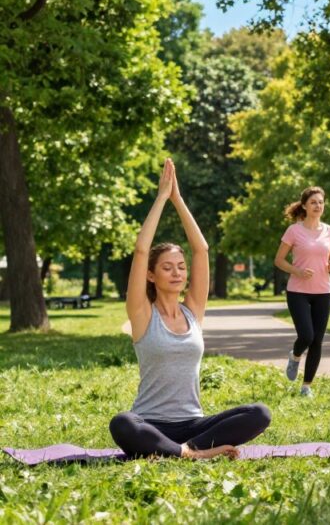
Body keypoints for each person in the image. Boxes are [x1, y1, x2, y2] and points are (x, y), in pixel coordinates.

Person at [109, 159, 271, 459]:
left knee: (259, 413)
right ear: (151, 275)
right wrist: (161, 198)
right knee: (122, 423)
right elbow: (142, 249)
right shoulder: (143, 315)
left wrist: (178, 199)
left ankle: (185, 450)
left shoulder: (192, 311)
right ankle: (190, 454)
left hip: (196, 425)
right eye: (167, 268)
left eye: (181, 267)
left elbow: (202, 250)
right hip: (150, 424)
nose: (177, 273)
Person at [275, 187, 330, 397]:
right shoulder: (294, 231)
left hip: (323, 291)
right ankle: (295, 356)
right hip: (298, 291)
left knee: (318, 340)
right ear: (304, 205)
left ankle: (307, 387)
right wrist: (297, 271)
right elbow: (279, 260)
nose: (318, 206)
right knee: (306, 335)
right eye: (313, 202)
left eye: (321, 202)